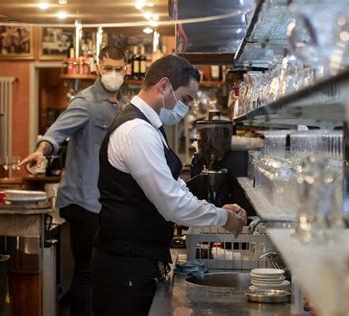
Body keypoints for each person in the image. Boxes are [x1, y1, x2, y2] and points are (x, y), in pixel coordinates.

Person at [92, 54, 247, 315]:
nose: (185, 107)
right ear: (163, 86)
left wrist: (217, 209)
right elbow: (171, 204)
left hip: (138, 259)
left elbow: (176, 187)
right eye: (185, 98)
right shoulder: (136, 131)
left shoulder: (150, 127)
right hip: (125, 265)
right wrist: (222, 217)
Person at [19, 45, 128, 316]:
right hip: (83, 201)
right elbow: (56, 132)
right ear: (97, 68)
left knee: (101, 271)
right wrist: (41, 150)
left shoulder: (122, 104)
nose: (113, 74)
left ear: (125, 69)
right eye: (108, 68)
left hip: (103, 201)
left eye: (118, 69)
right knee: (87, 272)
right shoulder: (86, 102)